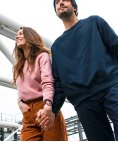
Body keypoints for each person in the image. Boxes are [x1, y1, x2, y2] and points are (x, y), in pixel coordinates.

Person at [44, 0, 118, 141]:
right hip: (84, 101)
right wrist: (52, 110)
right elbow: (59, 84)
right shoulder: (57, 47)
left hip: (111, 86)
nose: (60, 3)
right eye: (57, 3)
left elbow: (116, 46)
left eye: (64, 0)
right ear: (55, 12)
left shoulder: (94, 22)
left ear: (75, 6)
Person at [12, 27, 68, 141]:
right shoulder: (18, 66)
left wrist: (48, 105)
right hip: (27, 114)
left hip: (45, 107)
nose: (17, 36)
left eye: (21, 34)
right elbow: (21, 89)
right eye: (17, 34)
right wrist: (19, 102)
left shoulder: (42, 56)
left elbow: (47, 81)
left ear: (30, 37)